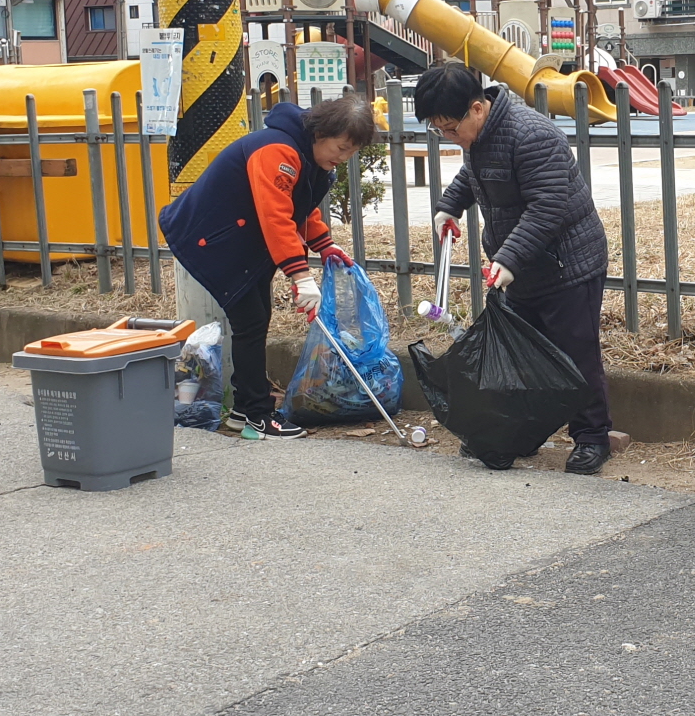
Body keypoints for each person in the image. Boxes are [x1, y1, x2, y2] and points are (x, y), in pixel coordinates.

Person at [415, 61, 614, 474]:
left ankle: (592, 438)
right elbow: (473, 176)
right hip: (525, 266)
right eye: (439, 131)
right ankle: (521, 435)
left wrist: (508, 258)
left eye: (450, 128)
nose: (449, 138)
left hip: (568, 265)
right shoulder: (478, 138)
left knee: (575, 354)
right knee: (521, 357)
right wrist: (448, 208)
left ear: (477, 108)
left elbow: (549, 207)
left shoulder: (531, 135)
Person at [160, 93, 376, 439]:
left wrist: (324, 244)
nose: (344, 157)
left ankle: (246, 409)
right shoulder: (277, 151)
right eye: (341, 147)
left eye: (351, 151)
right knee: (250, 321)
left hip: (240, 238)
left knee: (256, 318)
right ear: (321, 134)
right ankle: (255, 416)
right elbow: (276, 215)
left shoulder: (304, 153)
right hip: (213, 237)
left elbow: (300, 206)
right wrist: (300, 275)